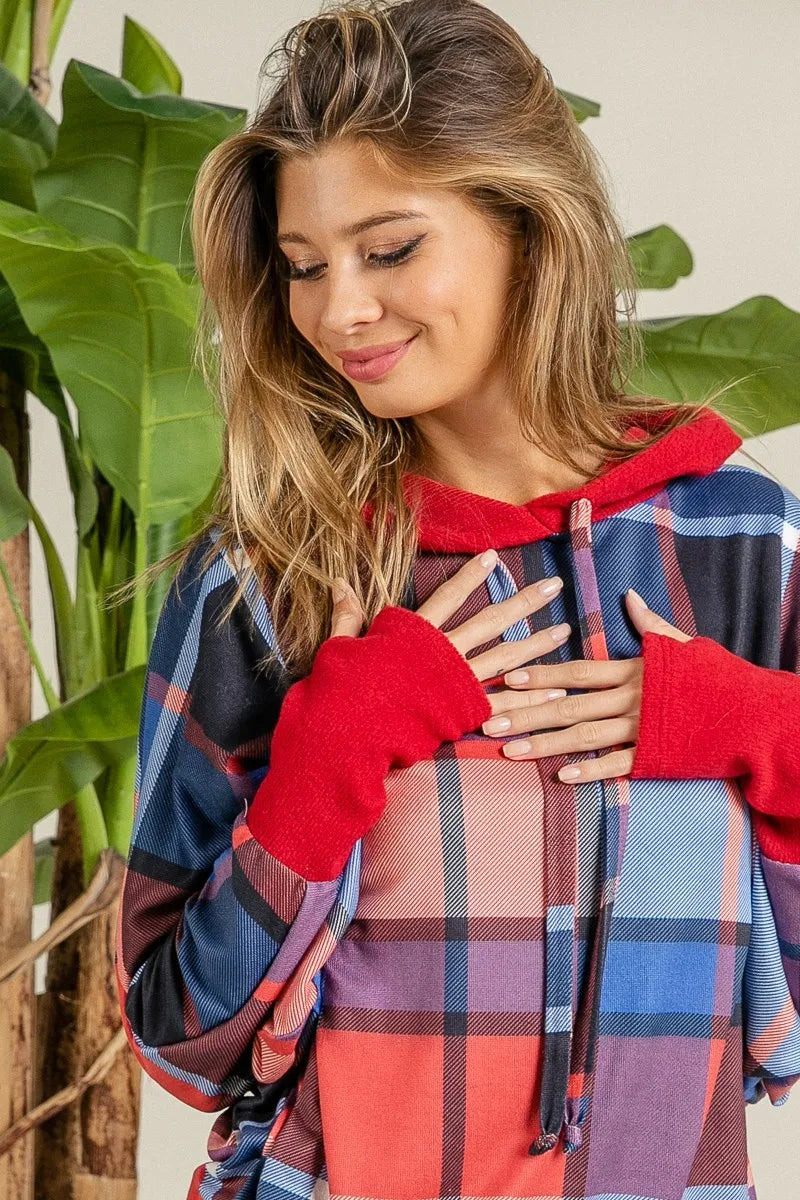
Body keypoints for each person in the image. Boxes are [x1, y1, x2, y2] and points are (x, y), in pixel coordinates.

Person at [113, 2, 800, 1198]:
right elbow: (178, 1036)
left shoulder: (738, 543)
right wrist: (331, 753)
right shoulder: (266, 577)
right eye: (303, 266)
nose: (336, 312)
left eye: (386, 250)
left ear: (526, 227)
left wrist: (758, 731)